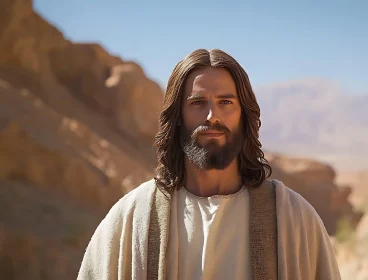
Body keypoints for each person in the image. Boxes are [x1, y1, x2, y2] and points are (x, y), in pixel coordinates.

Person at [77, 49, 342, 280]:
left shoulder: (292, 217)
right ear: (177, 116)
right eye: (197, 103)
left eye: (225, 102)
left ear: (244, 116)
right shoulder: (133, 218)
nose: (212, 116)